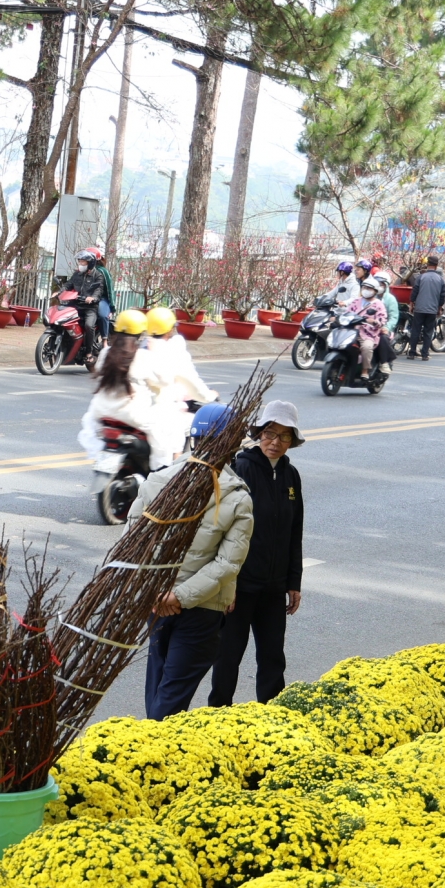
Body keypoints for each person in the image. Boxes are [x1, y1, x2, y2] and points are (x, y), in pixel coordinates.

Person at [129, 404, 256, 718]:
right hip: (201, 609)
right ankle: (150, 756)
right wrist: (180, 597)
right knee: (172, 697)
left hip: (156, 604)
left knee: (159, 686)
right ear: (231, 443)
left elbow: (130, 544)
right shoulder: (238, 496)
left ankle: (141, 749)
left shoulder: (156, 481)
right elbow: (227, 564)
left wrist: (156, 592)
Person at [209, 401, 306, 706]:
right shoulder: (241, 469)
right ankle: (218, 715)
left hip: (274, 587)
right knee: (228, 657)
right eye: (269, 433)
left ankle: (272, 716)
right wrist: (226, 584)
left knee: (273, 658)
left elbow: (295, 531)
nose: (275, 442)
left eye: (284, 436)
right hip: (240, 586)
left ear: (292, 441)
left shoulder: (291, 477)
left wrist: (294, 582)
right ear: (258, 433)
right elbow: (221, 532)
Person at [134, 306, 219, 467]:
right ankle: (174, 474)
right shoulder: (172, 351)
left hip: (133, 411)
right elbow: (193, 384)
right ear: (169, 330)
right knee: (178, 435)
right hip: (160, 414)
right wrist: (209, 396)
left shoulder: (139, 347)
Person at [79, 310, 156, 467]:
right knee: (165, 443)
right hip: (133, 419)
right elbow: (160, 383)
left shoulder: (105, 353)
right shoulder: (144, 356)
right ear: (141, 334)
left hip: (101, 415)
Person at [67, 248, 114, 351]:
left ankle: (105, 341)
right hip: (84, 299)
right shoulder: (81, 271)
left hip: (101, 299)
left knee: (101, 315)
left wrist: (112, 307)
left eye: (85, 259)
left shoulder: (102, 272)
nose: (82, 262)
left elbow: (110, 290)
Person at [408, 255, 445, 361]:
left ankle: (412, 353)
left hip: (419, 308)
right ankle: (425, 354)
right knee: (428, 332)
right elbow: (442, 296)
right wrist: (439, 308)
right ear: (437, 266)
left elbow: (414, 291)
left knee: (415, 330)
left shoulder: (421, 277)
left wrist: (411, 305)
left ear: (427, 264)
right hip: (432, 310)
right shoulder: (440, 279)